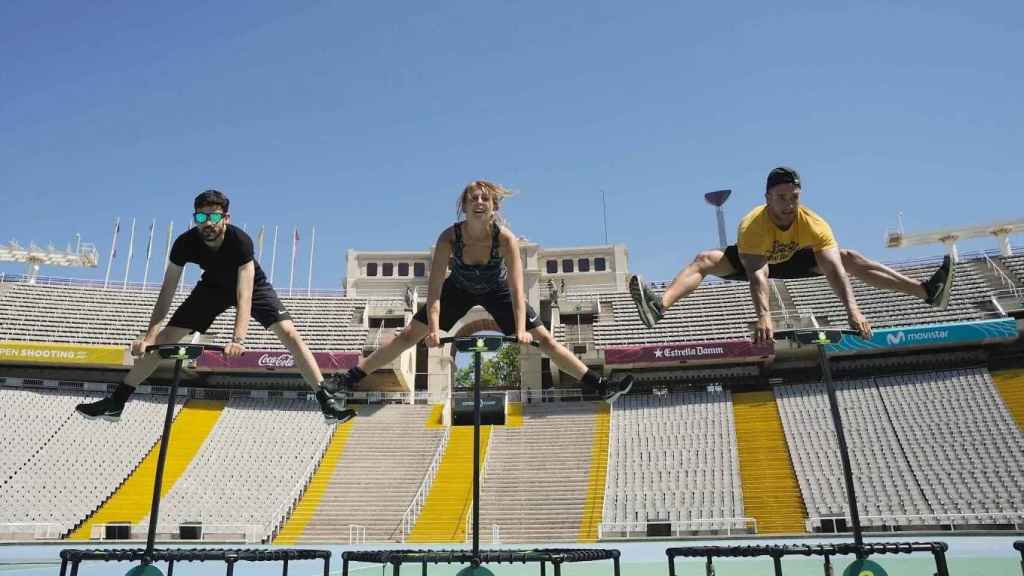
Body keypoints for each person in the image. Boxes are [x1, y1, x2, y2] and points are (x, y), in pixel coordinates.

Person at [324, 180, 633, 402]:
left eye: (484, 198)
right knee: (407, 336)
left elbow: (515, 288)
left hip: (497, 290)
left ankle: (600, 385)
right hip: (457, 289)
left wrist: (523, 330)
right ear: (465, 206)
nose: (479, 202)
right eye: (473, 198)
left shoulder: (506, 239)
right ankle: (348, 380)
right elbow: (433, 293)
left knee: (546, 340)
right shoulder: (449, 238)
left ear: (494, 206)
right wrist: (432, 330)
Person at [75, 189, 354, 423]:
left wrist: (238, 339)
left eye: (213, 216)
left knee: (289, 333)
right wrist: (148, 336)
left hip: (252, 287)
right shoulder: (184, 243)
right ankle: (116, 402)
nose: (207, 223)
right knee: (162, 343)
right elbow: (167, 291)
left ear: (225, 217)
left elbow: (244, 294)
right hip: (212, 288)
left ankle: (325, 401)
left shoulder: (240, 241)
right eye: (200, 217)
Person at [629, 166, 955, 343]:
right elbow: (758, 275)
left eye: (794, 196)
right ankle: (660, 306)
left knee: (849, 256)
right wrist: (764, 317)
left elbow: (835, 270)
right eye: (782, 197)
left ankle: (927, 291)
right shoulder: (753, 224)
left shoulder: (813, 224)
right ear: (767, 197)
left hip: (796, 258)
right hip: (756, 259)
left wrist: (852, 311)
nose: (789, 204)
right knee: (705, 259)